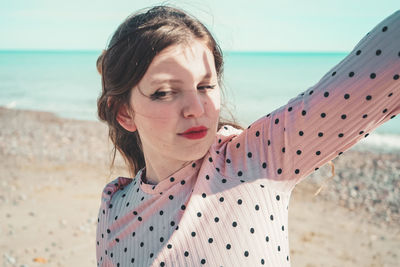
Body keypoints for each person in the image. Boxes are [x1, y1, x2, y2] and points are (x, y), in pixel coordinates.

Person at [95, 5, 400, 267]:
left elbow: (375, 72)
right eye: (165, 92)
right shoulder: (115, 210)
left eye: (205, 86)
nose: (196, 108)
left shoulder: (258, 158)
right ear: (124, 113)